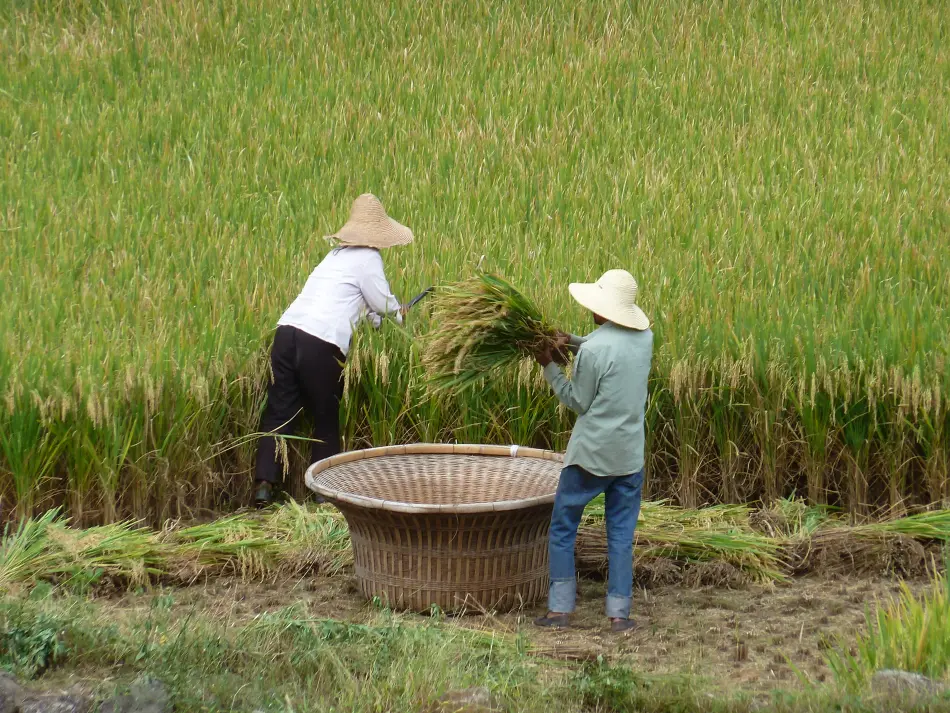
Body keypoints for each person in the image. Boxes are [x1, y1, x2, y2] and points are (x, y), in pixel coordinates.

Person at [253, 193, 412, 507]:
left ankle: (263, 487)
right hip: (320, 343)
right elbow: (382, 306)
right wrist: (398, 314)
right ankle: (323, 495)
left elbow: (365, 308)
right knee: (326, 416)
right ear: (379, 235)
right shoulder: (369, 259)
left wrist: (382, 316)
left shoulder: (335, 256)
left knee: (279, 413)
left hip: (286, 334)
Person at [532, 269, 654, 632]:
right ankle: (619, 615)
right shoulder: (645, 338)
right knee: (619, 535)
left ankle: (559, 611)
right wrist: (570, 341)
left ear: (601, 308)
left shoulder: (595, 352)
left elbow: (577, 400)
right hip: (629, 458)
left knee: (563, 527)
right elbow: (608, 348)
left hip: (591, 457)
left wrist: (548, 365)